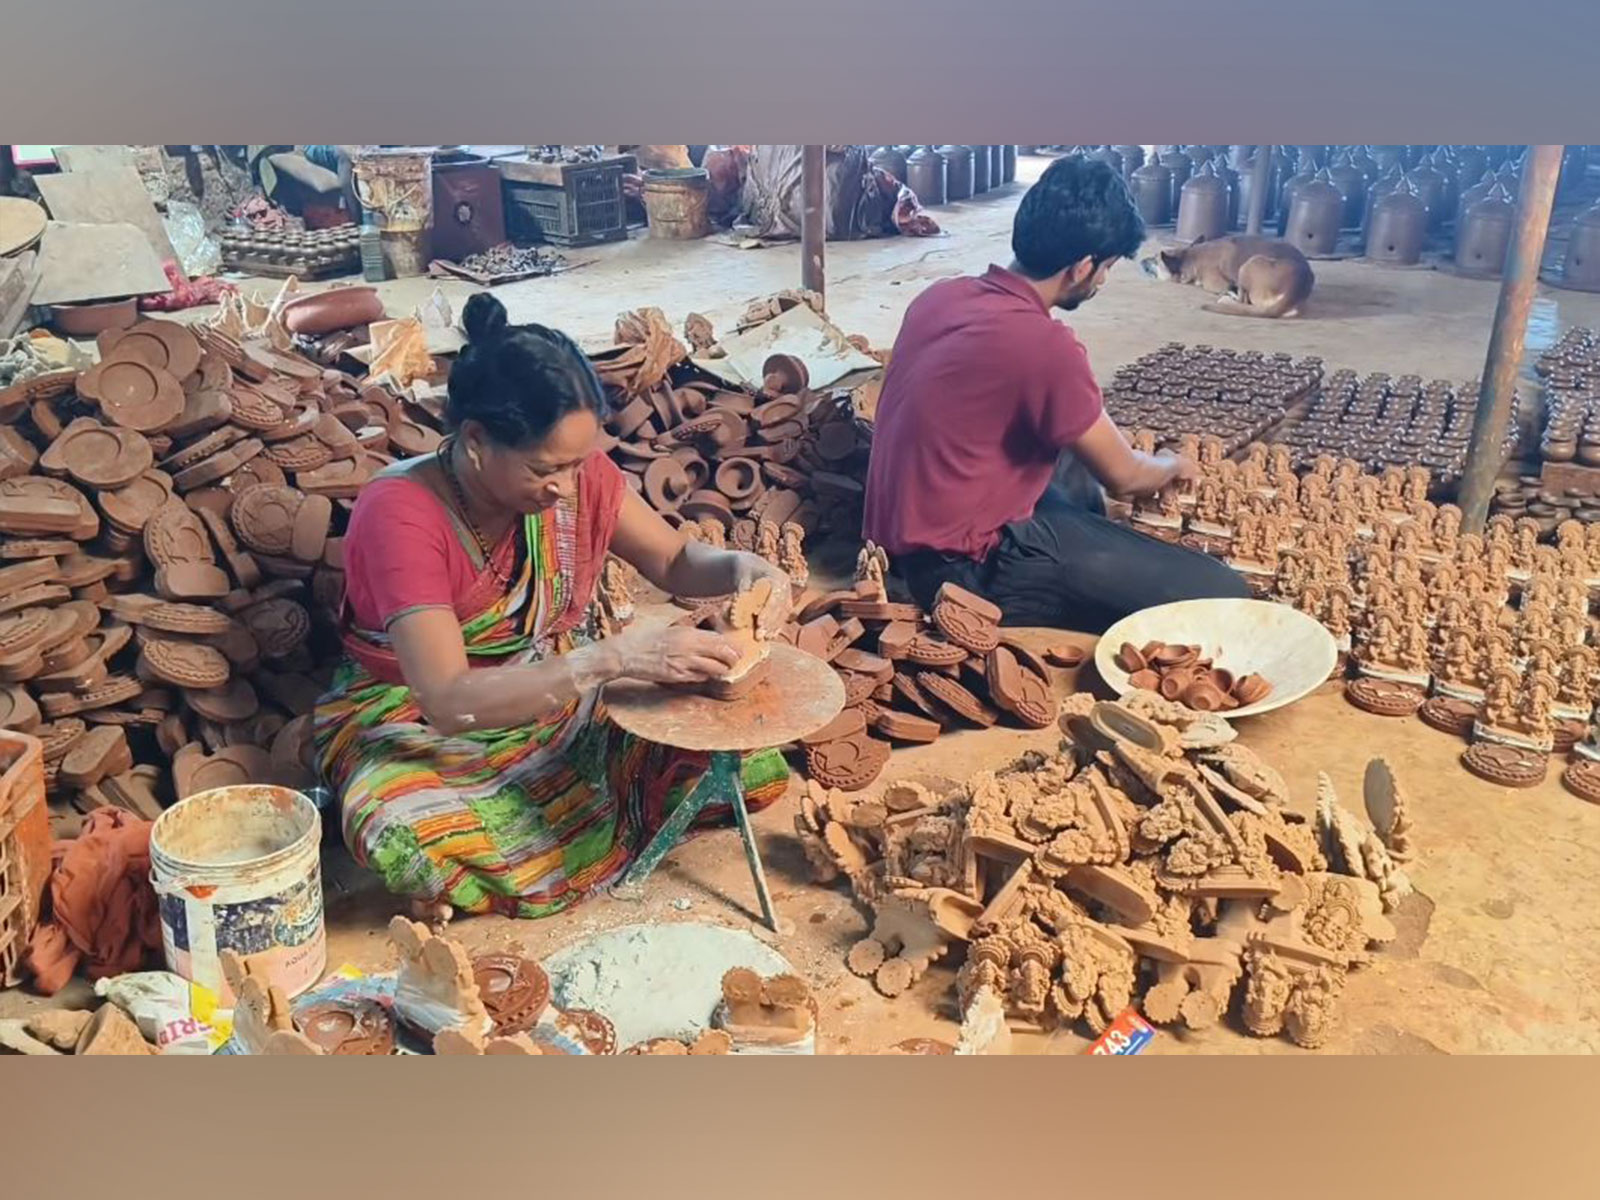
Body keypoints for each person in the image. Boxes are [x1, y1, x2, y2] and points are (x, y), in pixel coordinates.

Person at [314, 294, 792, 924]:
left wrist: (742, 568)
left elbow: (674, 561)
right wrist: (614, 659)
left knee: (746, 762)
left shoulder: (577, 475)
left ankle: (542, 829)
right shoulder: (400, 511)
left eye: (578, 462)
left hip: (549, 688)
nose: (569, 486)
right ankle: (536, 830)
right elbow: (449, 699)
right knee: (403, 828)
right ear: (478, 441)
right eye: (547, 468)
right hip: (416, 715)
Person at [862, 156, 1249, 632]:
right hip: (961, 573)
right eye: (1104, 269)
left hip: (894, 540)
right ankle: (1061, 573)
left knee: (1066, 448)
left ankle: (1082, 548)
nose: (1102, 281)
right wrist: (1170, 464)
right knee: (1224, 592)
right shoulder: (1045, 347)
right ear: (1082, 267)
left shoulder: (943, 296)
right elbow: (1124, 478)